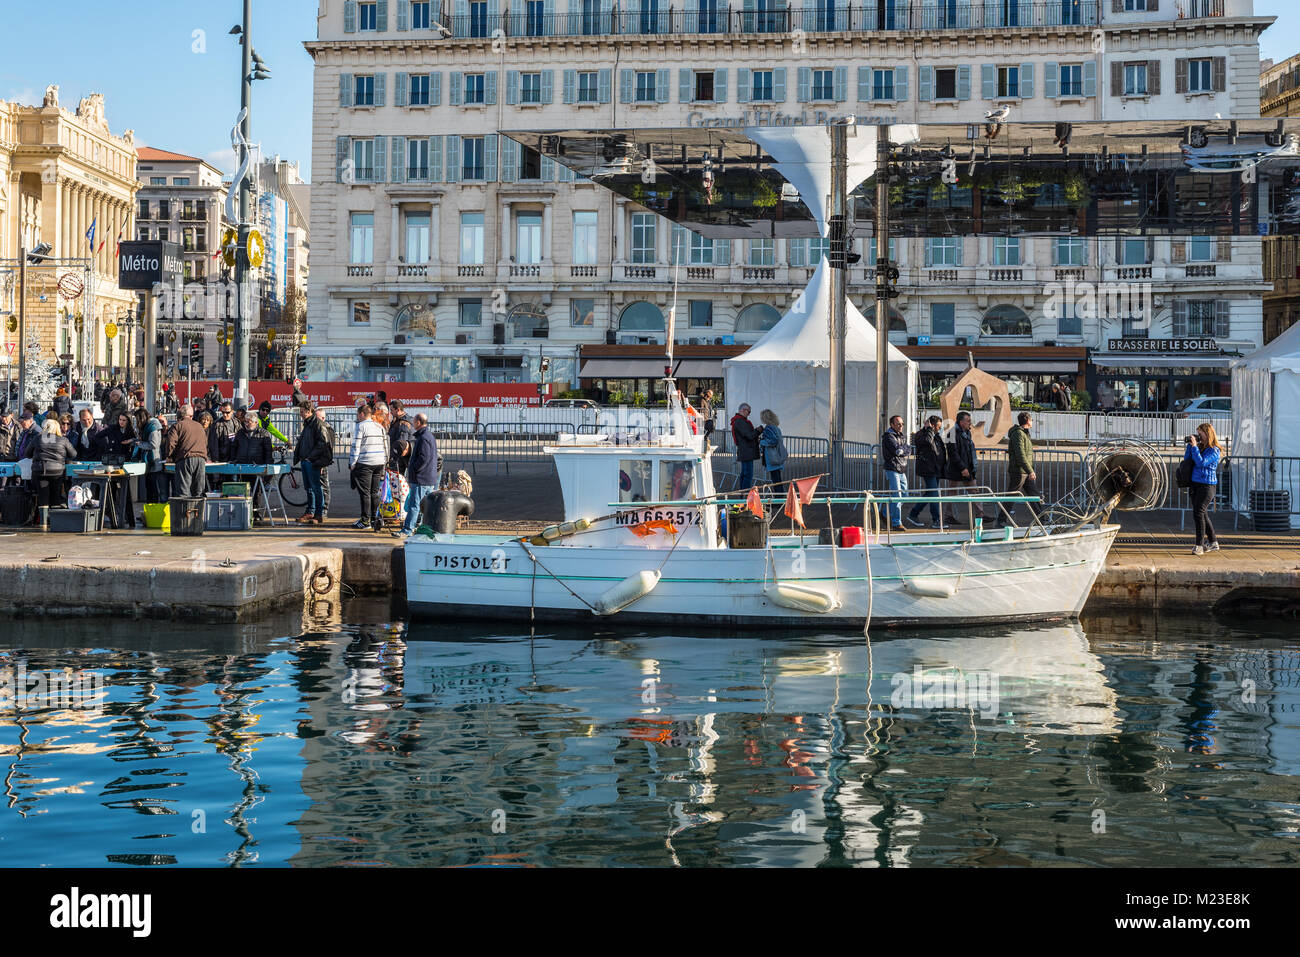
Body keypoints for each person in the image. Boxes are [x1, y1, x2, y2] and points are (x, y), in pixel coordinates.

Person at [399, 413, 440, 537]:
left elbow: (424, 458)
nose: (412, 423)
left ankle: (407, 529)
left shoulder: (424, 438)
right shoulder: (427, 436)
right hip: (426, 477)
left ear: (418, 422)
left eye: (414, 421)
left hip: (421, 478)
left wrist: (414, 469)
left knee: (414, 506)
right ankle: (423, 528)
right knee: (425, 507)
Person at [1185, 422, 1223, 556]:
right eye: (1198, 435)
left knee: (1198, 513)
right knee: (1203, 514)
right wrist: (1190, 447)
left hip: (1207, 486)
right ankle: (1213, 542)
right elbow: (1187, 461)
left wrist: (1195, 447)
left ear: (1208, 434)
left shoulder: (1214, 450)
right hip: (1195, 484)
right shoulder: (1199, 447)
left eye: (1200, 434)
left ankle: (1199, 545)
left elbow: (1201, 463)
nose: (1199, 437)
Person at [350, 404, 389, 531]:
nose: (357, 417)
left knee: (365, 493)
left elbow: (356, 446)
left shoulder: (360, 426)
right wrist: (385, 461)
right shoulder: (379, 426)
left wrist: (353, 462)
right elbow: (385, 445)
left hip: (365, 463)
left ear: (361, 414)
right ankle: (375, 519)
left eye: (358, 414)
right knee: (374, 492)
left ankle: (365, 520)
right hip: (379, 463)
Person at [26, 418, 78, 512]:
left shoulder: (37, 438)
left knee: (43, 496)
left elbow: (27, 454)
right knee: (55, 495)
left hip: (40, 471)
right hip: (57, 472)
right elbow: (73, 454)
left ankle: (43, 522)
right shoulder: (63, 440)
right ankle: (54, 521)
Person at [293, 401, 332, 525]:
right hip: (306, 460)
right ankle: (310, 511)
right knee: (309, 488)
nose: (301, 414)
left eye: (302, 412)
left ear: (309, 411)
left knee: (316, 487)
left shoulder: (317, 424)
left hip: (312, 461)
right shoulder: (308, 424)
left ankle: (318, 514)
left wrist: (311, 457)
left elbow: (323, 442)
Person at [907, 415, 947, 528]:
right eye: (938, 427)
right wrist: (928, 429)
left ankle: (913, 513)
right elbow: (928, 442)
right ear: (932, 425)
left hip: (935, 468)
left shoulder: (936, 435)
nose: (939, 429)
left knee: (930, 493)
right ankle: (936, 520)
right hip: (927, 469)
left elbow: (940, 449)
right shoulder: (922, 434)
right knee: (934, 494)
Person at [99, 411, 138, 528]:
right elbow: (98, 436)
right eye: (120, 420)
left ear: (128, 421)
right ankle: (113, 520)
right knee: (111, 492)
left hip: (124, 463)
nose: (121, 422)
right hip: (113, 461)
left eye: (124, 420)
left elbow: (136, 441)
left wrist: (131, 442)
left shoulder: (131, 431)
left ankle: (129, 519)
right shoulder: (112, 428)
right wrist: (107, 448)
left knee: (126, 494)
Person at [1002, 411, 1039, 527]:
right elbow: (1021, 455)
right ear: (1027, 420)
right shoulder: (1018, 434)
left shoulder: (1024, 434)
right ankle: (1001, 519)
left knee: (1033, 495)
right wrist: (1030, 470)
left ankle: (1043, 518)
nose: (1032, 421)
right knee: (1011, 496)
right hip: (1019, 471)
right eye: (1031, 419)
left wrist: (1029, 470)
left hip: (1024, 471)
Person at [164, 404, 209, 498]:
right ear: (191, 416)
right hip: (201, 460)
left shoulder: (177, 426)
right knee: (199, 492)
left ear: (179, 417)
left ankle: (184, 512)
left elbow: (171, 444)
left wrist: (169, 457)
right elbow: (205, 442)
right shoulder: (200, 426)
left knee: (183, 492)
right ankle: (199, 512)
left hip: (185, 460)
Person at [945, 411, 978, 526]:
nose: (970, 423)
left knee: (974, 491)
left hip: (968, 469)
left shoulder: (967, 433)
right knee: (952, 492)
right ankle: (948, 516)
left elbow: (968, 451)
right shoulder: (951, 434)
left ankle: (980, 514)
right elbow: (952, 453)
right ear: (961, 422)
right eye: (968, 420)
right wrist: (962, 468)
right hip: (957, 469)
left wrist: (970, 467)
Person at [879, 415, 910, 532]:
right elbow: (897, 450)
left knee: (905, 496)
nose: (901, 426)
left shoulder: (902, 436)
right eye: (898, 424)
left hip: (902, 468)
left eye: (902, 424)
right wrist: (903, 450)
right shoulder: (888, 437)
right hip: (892, 468)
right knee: (897, 496)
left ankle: (885, 513)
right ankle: (896, 523)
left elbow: (908, 449)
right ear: (892, 425)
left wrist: (903, 450)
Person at [138, 412, 169, 505]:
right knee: (152, 488)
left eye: (162, 421)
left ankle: (157, 511)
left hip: (156, 462)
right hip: (155, 461)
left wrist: (140, 444)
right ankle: (152, 510)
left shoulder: (153, 428)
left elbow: (154, 444)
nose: (161, 424)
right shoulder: (150, 428)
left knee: (159, 490)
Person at [730, 403, 760, 491]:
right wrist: (758, 431)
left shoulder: (739, 421)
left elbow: (748, 435)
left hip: (745, 451)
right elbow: (749, 436)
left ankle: (743, 496)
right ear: (742, 410)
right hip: (746, 451)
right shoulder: (740, 421)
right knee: (748, 475)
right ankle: (745, 497)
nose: (749, 414)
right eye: (748, 411)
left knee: (745, 474)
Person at [758, 409, 786, 495]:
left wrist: (761, 441)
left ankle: (779, 499)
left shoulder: (768, 428)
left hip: (772, 457)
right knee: (777, 479)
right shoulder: (776, 428)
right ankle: (780, 497)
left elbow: (773, 441)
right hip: (778, 455)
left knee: (776, 480)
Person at [388, 400, 414, 473]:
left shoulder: (403, 424)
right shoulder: (398, 420)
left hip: (400, 461)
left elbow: (401, 445)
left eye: (392, 410)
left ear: (398, 410)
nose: (391, 412)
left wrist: (393, 459)